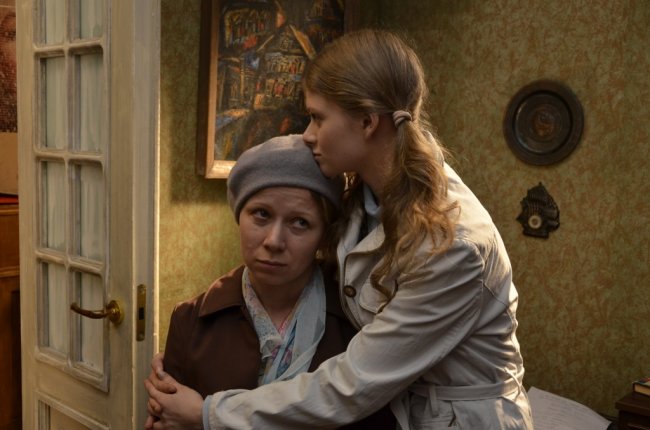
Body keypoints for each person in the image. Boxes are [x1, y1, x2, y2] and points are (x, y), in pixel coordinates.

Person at [146, 29, 534, 429]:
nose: (309, 134)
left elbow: (354, 383)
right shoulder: (365, 196)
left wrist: (209, 413)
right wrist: (191, 359)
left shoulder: (453, 245)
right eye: (260, 215)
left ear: (367, 122)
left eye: (318, 117)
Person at [145, 134, 395, 429]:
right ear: (239, 216)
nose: (274, 241)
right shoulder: (191, 321)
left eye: (300, 222)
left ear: (324, 235)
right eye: (261, 214)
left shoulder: (360, 319)